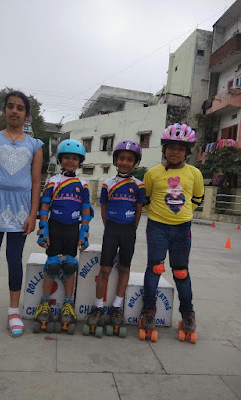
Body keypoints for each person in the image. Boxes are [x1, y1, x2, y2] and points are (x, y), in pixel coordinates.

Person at [0, 91, 43, 339]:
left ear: (27, 114)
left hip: (21, 209)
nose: (15, 111)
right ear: (4, 110)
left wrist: (33, 215)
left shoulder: (35, 145)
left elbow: (36, 182)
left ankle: (14, 311)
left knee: (14, 259)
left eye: (20, 108)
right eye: (10, 106)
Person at [140, 123, 204, 337]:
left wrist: (181, 214)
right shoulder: (153, 173)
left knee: (181, 271)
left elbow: (197, 199)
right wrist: (159, 215)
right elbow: (146, 199)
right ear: (164, 149)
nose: (175, 151)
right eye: (171, 147)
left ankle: (187, 313)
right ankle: (149, 310)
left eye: (180, 148)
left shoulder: (194, 173)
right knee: (155, 268)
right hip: (157, 226)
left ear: (187, 152)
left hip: (182, 228)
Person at [86, 140, 145, 331]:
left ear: (135, 163)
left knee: (125, 269)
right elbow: (103, 210)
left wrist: (131, 229)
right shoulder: (107, 184)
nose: (125, 162)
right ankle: (98, 307)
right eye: (121, 158)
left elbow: (138, 211)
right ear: (115, 160)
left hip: (128, 231)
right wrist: (109, 228)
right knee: (104, 270)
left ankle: (117, 307)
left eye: (129, 160)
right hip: (111, 230)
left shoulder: (139, 185)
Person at [35, 139, 93, 334]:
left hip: (72, 230)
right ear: (60, 159)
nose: (70, 161)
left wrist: (84, 233)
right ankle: (44, 303)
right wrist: (43, 229)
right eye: (66, 157)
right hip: (55, 227)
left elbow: (86, 210)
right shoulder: (53, 181)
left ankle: (68, 303)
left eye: (74, 158)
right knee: (51, 265)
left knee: (70, 265)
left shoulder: (83, 184)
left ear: (80, 161)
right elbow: (44, 206)